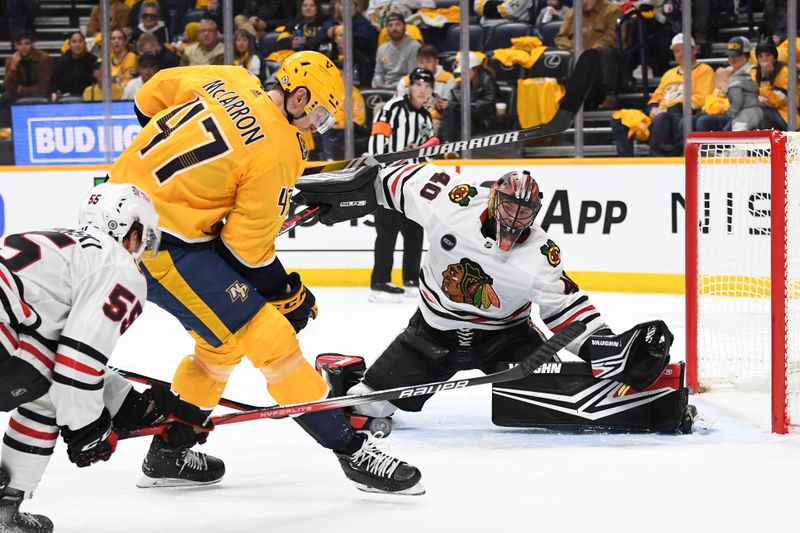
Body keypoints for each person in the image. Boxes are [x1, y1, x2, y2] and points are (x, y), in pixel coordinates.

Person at [106, 51, 423, 495]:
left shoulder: (229, 76)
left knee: (220, 344)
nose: (316, 125)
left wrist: (195, 182)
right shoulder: (280, 149)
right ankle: (352, 450)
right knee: (272, 337)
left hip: (112, 207)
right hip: (160, 244)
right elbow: (245, 251)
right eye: (317, 113)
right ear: (297, 97)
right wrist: (286, 292)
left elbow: (147, 96)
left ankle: (171, 450)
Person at [340, 165, 672, 427]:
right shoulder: (451, 203)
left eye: (524, 212)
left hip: (506, 339)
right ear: (492, 198)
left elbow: (566, 307)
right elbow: (398, 179)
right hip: (430, 336)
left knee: (556, 400)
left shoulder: (540, 254)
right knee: (366, 404)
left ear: (537, 212)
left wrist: (606, 347)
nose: (514, 219)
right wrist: (349, 188)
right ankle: (346, 374)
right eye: (509, 207)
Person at [0, 182, 213, 533]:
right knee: (49, 402)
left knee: (44, 391)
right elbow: (75, 363)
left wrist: (130, 405)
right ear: (128, 230)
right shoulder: (117, 264)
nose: (142, 246)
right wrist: (87, 429)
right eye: (142, 235)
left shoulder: (65, 244)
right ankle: (5, 511)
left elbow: (53, 353)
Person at [368, 67, 435, 301]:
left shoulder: (426, 117)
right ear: (410, 87)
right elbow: (376, 144)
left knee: (415, 232)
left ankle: (410, 280)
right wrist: (397, 157)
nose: (422, 90)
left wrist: (417, 156)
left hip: (413, 184)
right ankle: (379, 282)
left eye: (427, 86)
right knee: (387, 233)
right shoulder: (392, 108)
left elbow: (428, 154)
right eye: (418, 85)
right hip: (387, 180)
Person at [610, 33, 714, 157]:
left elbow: (701, 99)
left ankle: (656, 160)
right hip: (661, 114)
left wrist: (668, 109)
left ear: (694, 51)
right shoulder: (669, 74)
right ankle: (626, 162)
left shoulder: (704, 70)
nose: (680, 54)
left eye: (683, 50)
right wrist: (651, 110)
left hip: (681, 115)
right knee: (619, 118)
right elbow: (656, 97)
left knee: (662, 118)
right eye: (676, 51)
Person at [554, 0, 622, 110]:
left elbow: (612, 38)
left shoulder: (612, 11)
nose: (582, 2)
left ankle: (609, 96)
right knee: (560, 55)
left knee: (605, 51)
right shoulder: (572, 13)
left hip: (601, 56)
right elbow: (560, 38)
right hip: (577, 54)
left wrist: (589, 52)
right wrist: (575, 48)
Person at [696, 36, 763, 132]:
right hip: (720, 111)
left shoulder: (754, 72)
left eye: (736, 56)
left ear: (746, 55)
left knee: (703, 121)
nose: (732, 59)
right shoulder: (724, 72)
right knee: (692, 121)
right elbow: (713, 99)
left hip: (740, 114)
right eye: (730, 55)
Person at [438, 51, 502, 144]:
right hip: (467, 115)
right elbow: (456, 102)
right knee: (449, 112)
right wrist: (441, 105)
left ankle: (451, 146)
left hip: (483, 118)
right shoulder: (464, 83)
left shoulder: (487, 81)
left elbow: (480, 107)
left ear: (474, 69)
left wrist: (452, 105)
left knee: (466, 119)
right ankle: (447, 145)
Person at [0, 29, 53, 106]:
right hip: (19, 94)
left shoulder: (44, 58)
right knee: (5, 97)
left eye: (27, 43)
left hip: (39, 92)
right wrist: (13, 67)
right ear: (15, 45)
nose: (23, 47)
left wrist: (22, 90)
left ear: (32, 44)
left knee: (43, 95)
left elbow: (44, 85)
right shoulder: (11, 60)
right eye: (20, 44)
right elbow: (8, 86)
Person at [371, 12, 420, 89]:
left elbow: (412, 77)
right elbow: (378, 73)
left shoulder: (414, 47)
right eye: (390, 25)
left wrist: (388, 87)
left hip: (405, 89)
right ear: (386, 29)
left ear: (405, 27)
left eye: (398, 24)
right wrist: (378, 84)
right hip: (383, 88)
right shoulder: (382, 49)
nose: (394, 28)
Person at [753, 41, 790, 131]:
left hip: (785, 115)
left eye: (768, 55)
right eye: (760, 56)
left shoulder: (785, 71)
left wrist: (765, 78)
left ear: (774, 57)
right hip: (762, 111)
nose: (764, 59)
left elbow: (777, 100)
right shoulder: (754, 72)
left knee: (759, 113)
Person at [50, 31, 97, 100]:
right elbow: (53, 82)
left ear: (85, 44)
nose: (77, 45)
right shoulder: (61, 61)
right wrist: (54, 93)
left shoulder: (93, 61)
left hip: (88, 99)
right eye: (74, 42)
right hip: (65, 99)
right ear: (69, 45)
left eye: (80, 41)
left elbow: (95, 84)